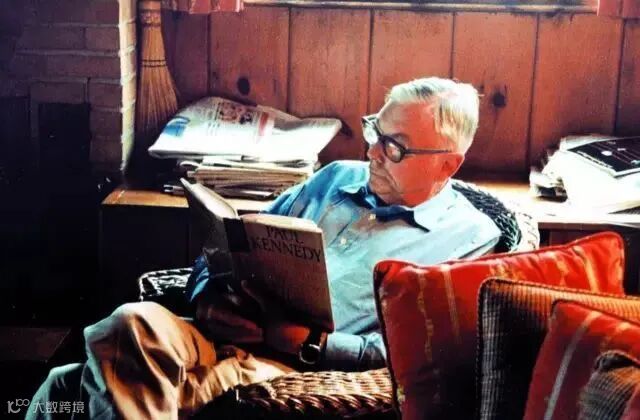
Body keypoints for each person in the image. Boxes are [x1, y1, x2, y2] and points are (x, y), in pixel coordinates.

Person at [28, 77, 501, 419]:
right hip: (215, 332)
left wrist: (306, 342)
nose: (373, 151)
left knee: (65, 390)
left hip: (293, 373)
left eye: (394, 147)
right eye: (375, 130)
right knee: (129, 322)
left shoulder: (469, 238)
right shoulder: (335, 178)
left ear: (448, 165)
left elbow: (417, 355)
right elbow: (228, 242)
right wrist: (207, 299)